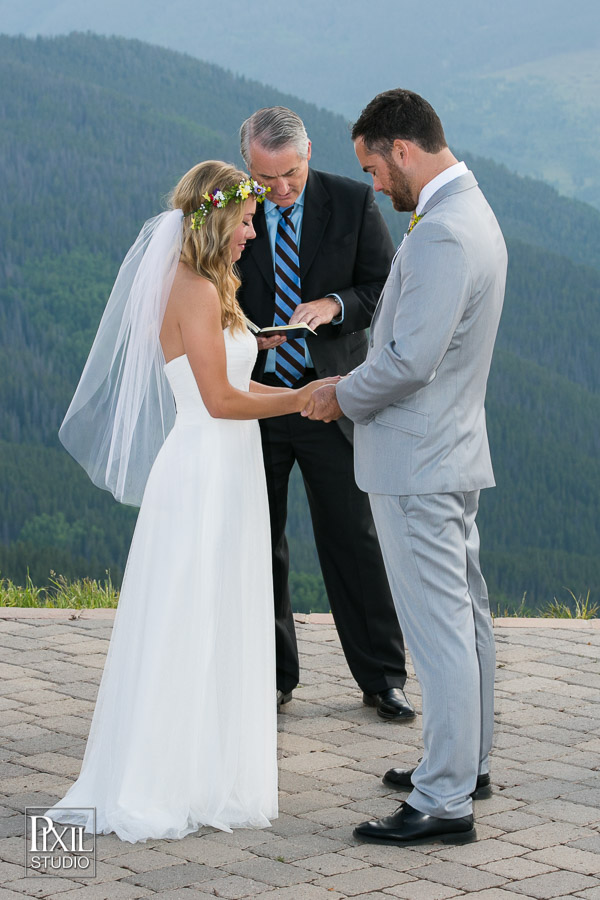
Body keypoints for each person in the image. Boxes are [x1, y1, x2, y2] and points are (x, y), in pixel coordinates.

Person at [47, 161, 334, 843]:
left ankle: (204, 769)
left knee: (219, 611)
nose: (253, 233)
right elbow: (219, 401)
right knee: (189, 614)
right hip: (204, 468)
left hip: (228, 465)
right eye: (247, 221)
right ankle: (162, 777)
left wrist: (283, 378)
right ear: (218, 217)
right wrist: (303, 397)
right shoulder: (194, 288)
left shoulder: (211, 285)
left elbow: (234, 385)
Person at [304, 89, 507, 845]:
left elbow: (410, 361)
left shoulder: (444, 231)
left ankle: (445, 800)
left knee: (440, 631)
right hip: (448, 449)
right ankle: (465, 763)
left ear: (403, 149)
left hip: (418, 460)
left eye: (373, 167)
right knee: (466, 618)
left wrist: (338, 393)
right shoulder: (468, 211)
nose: (374, 183)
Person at [236, 107, 414, 720]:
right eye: (266, 179)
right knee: (258, 541)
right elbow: (207, 287)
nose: (280, 188)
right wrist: (245, 334)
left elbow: (385, 288)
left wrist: (333, 305)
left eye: (290, 173)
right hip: (254, 401)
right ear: (247, 166)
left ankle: (382, 678)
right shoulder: (230, 208)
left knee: (353, 539)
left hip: (331, 399)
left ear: (308, 151)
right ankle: (272, 678)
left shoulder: (353, 201)